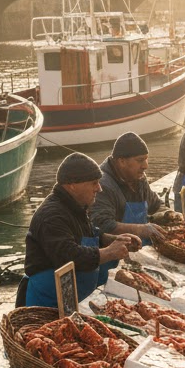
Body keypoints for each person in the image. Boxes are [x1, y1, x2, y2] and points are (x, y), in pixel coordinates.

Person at [20, 152, 136, 308]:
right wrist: (109, 252)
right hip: (48, 301)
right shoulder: (51, 215)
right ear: (72, 185)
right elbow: (68, 256)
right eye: (94, 183)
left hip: (75, 298)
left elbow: (89, 232)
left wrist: (113, 240)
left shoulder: (75, 205)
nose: (99, 188)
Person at [91, 132, 165, 248]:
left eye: (146, 159)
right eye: (140, 160)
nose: (145, 166)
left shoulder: (139, 177)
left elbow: (156, 204)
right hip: (114, 252)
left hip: (140, 248)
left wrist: (168, 214)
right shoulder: (102, 185)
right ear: (122, 162)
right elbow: (103, 225)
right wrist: (141, 229)